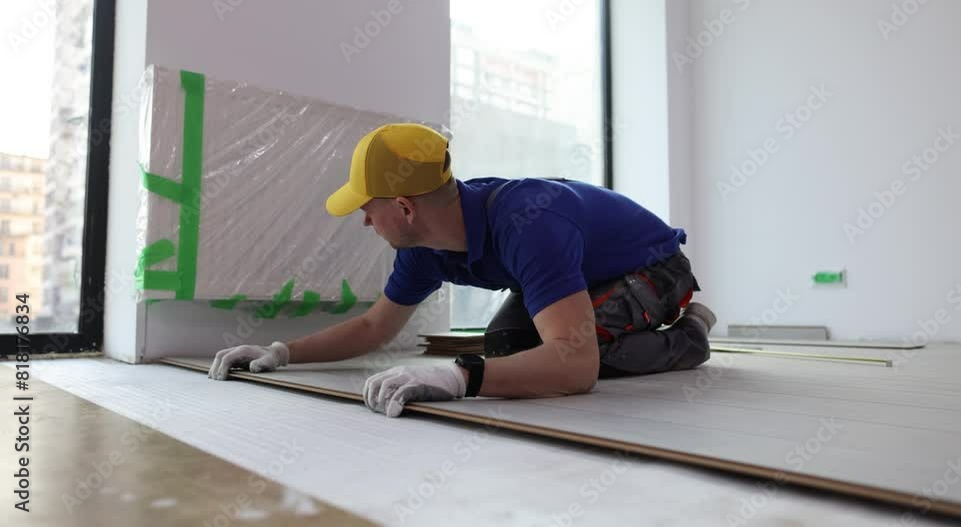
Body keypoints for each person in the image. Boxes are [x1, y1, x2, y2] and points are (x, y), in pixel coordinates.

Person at [208, 123, 716, 417]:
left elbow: (576, 369)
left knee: (568, 359)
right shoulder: (424, 246)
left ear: (406, 208)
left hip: (654, 272)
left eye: (368, 206)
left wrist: (459, 377)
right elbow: (374, 326)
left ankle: (691, 334)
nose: (364, 220)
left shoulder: (528, 222)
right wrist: (280, 352)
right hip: (589, 274)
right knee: (511, 352)